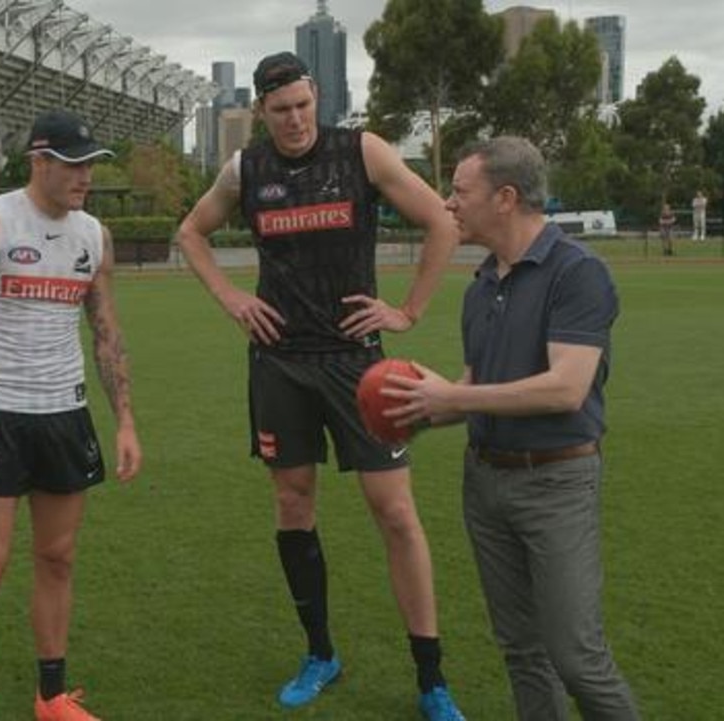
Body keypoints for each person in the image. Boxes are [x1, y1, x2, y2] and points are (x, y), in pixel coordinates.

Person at [174, 52, 464, 720]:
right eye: (281, 110)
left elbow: (442, 220)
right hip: (278, 361)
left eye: (304, 105)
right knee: (293, 504)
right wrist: (229, 297)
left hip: (358, 362)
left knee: (395, 512)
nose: (296, 119)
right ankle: (320, 652)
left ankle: (432, 678)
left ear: (317, 98)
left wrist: (409, 310)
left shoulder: (360, 151)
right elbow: (190, 231)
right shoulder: (245, 168)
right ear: (261, 111)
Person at [385, 136, 640, 720]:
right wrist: (417, 409)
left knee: (576, 656)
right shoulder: (482, 284)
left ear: (504, 198)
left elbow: (564, 388)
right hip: (486, 481)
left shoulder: (578, 274)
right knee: (522, 650)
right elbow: (478, 387)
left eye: (459, 191)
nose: (447, 204)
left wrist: (452, 393)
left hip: (557, 484)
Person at [0, 109, 142, 721]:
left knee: (58, 557)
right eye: (74, 165)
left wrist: (124, 420)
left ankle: (51, 696)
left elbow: (106, 333)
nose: (85, 178)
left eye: (91, 166)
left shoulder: (93, 235)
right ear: (39, 162)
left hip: (65, 416)